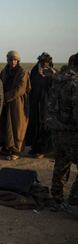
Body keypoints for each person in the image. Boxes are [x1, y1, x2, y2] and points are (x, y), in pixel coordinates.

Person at [48, 54, 78, 214]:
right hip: (72, 133)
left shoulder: (57, 80)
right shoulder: (74, 84)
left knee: (61, 165)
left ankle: (57, 200)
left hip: (56, 131)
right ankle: (74, 202)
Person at [0, 50, 31, 160]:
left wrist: (6, 97)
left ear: (18, 60)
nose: (12, 62)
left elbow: (20, 89)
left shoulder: (22, 72)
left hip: (17, 104)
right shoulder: (5, 71)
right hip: (6, 103)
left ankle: (16, 150)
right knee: (6, 124)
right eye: (10, 59)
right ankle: (7, 147)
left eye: (15, 60)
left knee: (17, 126)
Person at [25, 52, 56, 158]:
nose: (44, 64)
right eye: (42, 62)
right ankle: (35, 148)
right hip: (35, 102)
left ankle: (43, 150)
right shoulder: (34, 71)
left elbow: (56, 87)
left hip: (47, 104)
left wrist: (53, 75)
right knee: (34, 125)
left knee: (44, 126)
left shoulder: (52, 72)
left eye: (46, 62)